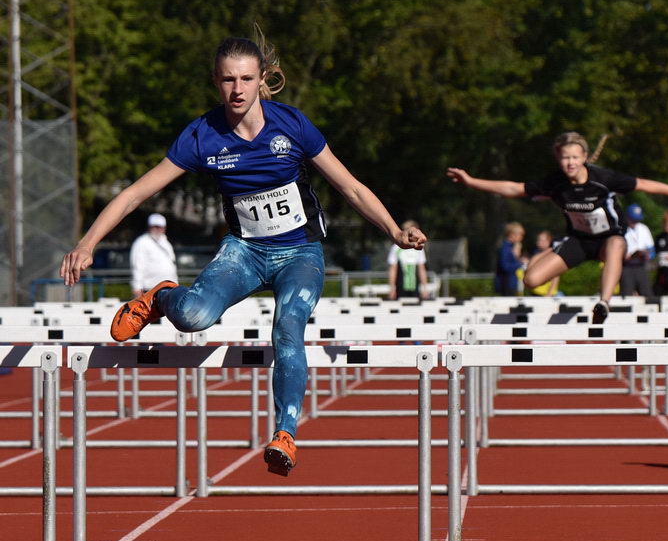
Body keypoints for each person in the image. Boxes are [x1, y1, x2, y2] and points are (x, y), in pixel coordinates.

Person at [59, 33, 426, 477]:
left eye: (246, 79)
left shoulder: (292, 125)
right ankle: (160, 298)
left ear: (262, 80)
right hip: (244, 252)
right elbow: (137, 192)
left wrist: (394, 231)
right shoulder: (202, 135)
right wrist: (87, 242)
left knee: (288, 325)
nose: (237, 89)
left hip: (299, 253)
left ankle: (285, 431)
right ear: (216, 81)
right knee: (193, 317)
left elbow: (349, 187)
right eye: (228, 80)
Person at [447, 132, 668, 323]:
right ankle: (550, 253)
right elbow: (514, 189)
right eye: (565, 157)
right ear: (557, 158)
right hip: (580, 242)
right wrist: (471, 181)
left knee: (616, 242)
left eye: (574, 157)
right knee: (531, 279)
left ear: (584, 157)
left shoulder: (603, 178)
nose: (570, 162)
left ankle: (604, 302)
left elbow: (643, 184)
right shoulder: (554, 183)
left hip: (608, 241)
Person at [129, 213, 179, 299]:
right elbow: (137, 266)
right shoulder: (142, 242)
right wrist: (137, 287)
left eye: (160, 227)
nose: (157, 229)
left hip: (168, 288)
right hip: (149, 288)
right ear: (149, 227)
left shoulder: (166, 242)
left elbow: (172, 265)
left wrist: (176, 285)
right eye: (154, 226)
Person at [387, 219, 429, 300]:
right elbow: (393, 269)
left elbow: (421, 269)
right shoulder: (396, 248)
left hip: (415, 287)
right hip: (400, 287)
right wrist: (392, 289)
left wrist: (424, 288)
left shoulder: (419, 248)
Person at [620, 203, 654, 297]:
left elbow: (651, 249)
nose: (635, 223)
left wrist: (648, 255)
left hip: (641, 266)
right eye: (633, 220)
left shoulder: (643, 228)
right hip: (627, 266)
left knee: (647, 293)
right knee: (627, 294)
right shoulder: (621, 230)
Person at [494, 222, 526, 296]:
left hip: (510, 283)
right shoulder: (506, 248)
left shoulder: (511, 247)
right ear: (512, 234)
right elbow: (505, 266)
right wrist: (520, 263)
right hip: (506, 283)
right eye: (520, 235)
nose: (522, 238)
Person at [527, 230, 561, 297]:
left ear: (549, 242)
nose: (538, 242)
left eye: (541, 240)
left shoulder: (553, 256)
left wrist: (549, 293)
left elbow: (556, 276)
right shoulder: (536, 253)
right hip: (535, 292)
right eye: (538, 240)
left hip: (546, 294)